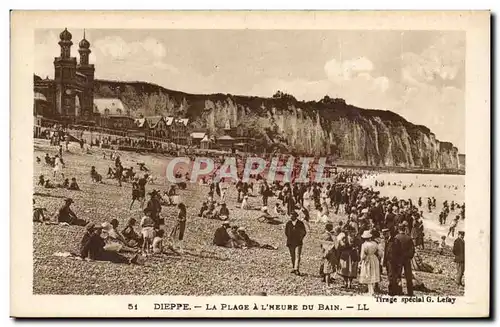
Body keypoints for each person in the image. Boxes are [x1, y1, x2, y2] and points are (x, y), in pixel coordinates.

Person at [393, 223, 415, 296]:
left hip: (399, 259)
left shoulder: (396, 237)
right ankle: (410, 292)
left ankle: (399, 291)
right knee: (408, 276)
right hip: (407, 259)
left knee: (398, 275)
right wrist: (409, 257)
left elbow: (395, 249)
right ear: (404, 229)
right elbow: (412, 250)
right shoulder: (409, 238)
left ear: (398, 229)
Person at [359, 230, 381, 295]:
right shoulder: (374, 243)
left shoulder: (364, 245)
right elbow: (379, 252)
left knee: (368, 273)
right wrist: (378, 257)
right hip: (374, 258)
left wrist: (361, 260)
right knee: (373, 273)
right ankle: (372, 288)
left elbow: (362, 255)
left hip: (367, 259)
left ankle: (370, 290)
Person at [284, 211, 306, 276]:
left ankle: (297, 269)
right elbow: (286, 232)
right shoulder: (288, 223)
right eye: (290, 215)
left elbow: (304, 232)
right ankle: (294, 267)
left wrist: (300, 238)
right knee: (292, 256)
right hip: (290, 242)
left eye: (292, 216)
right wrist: (289, 237)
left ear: (295, 216)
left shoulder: (300, 223)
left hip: (298, 242)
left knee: (297, 256)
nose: (290, 217)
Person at [320, 223, 337, 287]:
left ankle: (323, 277)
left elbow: (321, 244)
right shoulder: (330, 236)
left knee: (323, 264)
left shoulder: (323, 234)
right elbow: (334, 244)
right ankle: (327, 281)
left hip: (324, 251)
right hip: (329, 252)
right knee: (328, 267)